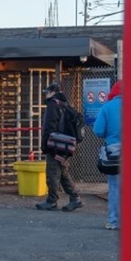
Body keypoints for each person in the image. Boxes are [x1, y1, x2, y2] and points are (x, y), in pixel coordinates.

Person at [37, 83, 83, 212]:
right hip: (66, 145)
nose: (46, 95)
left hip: (56, 144)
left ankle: (51, 201)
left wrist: (45, 145)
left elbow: (49, 126)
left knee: (52, 172)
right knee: (63, 172)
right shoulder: (66, 104)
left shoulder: (53, 105)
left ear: (52, 92)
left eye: (47, 92)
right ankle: (75, 198)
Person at [93, 80, 123, 230]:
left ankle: (114, 221)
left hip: (114, 153)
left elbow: (98, 130)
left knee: (115, 188)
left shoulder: (107, 107)